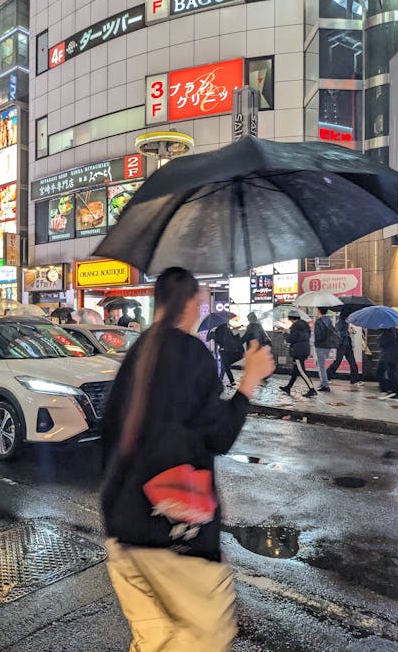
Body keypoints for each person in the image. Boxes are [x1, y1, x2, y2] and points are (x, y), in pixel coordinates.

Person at [101, 267, 274, 652]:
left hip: (123, 526)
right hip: (174, 533)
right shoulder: (189, 352)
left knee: (156, 641)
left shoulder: (139, 352)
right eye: (202, 299)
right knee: (205, 640)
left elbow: (109, 435)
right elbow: (218, 434)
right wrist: (249, 382)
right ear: (192, 303)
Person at [280, 308, 317, 397]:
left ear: (292, 318)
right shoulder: (305, 325)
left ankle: (312, 390)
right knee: (295, 371)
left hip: (298, 351)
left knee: (302, 371)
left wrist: (285, 333)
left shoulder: (295, 326)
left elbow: (291, 339)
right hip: (305, 349)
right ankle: (288, 387)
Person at [326, 307, 362, 385]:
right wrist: (347, 331)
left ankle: (354, 380)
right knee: (337, 362)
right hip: (342, 345)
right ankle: (326, 377)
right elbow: (338, 334)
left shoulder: (345, 323)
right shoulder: (340, 323)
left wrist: (350, 332)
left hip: (347, 344)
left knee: (352, 362)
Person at [213, 321, 243, 387]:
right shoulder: (228, 329)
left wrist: (213, 334)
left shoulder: (218, 330)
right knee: (225, 366)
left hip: (223, 351)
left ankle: (223, 381)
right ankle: (230, 381)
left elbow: (218, 341)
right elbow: (231, 339)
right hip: (230, 350)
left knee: (225, 366)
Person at [376, 328, 398, 400]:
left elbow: (384, 342)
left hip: (389, 354)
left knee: (382, 372)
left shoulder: (389, 330)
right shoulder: (389, 329)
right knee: (388, 372)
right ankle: (391, 391)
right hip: (390, 354)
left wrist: (379, 339)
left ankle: (391, 391)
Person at [314, 307, 334, 392]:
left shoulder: (319, 321)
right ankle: (322, 382)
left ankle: (325, 385)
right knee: (319, 364)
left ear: (319, 311)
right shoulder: (329, 320)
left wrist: (316, 343)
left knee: (321, 366)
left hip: (320, 346)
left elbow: (318, 335)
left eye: (316, 310)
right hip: (328, 346)